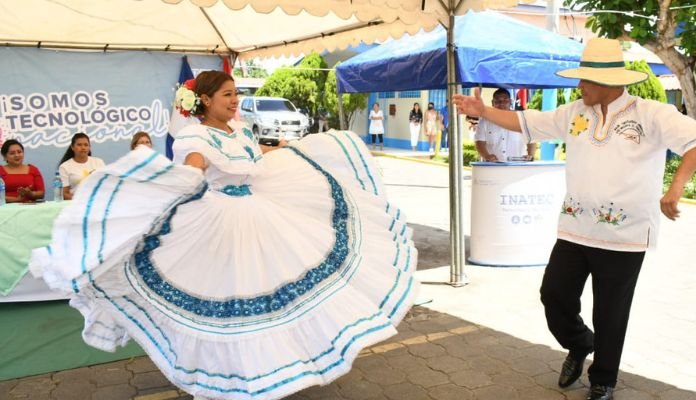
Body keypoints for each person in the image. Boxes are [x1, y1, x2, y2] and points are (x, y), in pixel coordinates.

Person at [31, 70, 418, 400]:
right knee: (231, 299)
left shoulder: (239, 130)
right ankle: (229, 377)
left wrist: (285, 148)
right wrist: (178, 182)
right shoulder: (193, 138)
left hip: (262, 210)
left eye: (236, 94)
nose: (235, 101)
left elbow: (253, 155)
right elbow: (195, 168)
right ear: (204, 100)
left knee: (276, 293)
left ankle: (272, 367)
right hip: (221, 221)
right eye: (228, 95)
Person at [453, 38, 696, 400]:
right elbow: (526, 121)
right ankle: (580, 343)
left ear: (610, 83)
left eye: (586, 81)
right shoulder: (575, 112)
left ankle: (603, 380)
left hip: (625, 234)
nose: (579, 87)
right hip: (575, 229)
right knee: (554, 296)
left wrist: (675, 189)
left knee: (611, 312)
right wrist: (482, 111)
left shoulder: (651, 113)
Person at [474, 88, 536, 162]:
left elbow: (531, 140)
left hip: (518, 165)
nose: (502, 103)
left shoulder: (521, 119)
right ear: (492, 103)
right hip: (494, 167)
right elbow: (479, 142)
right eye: (498, 101)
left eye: (505, 101)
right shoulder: (484, 121)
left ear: (510, 102)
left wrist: (530, 156)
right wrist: (486, 156)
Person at [58, 133, 105, 200]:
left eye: (86, 145)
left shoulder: (99, 162)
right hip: (76, 203)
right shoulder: (65, 167)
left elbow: (105, 186)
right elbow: (64, 194)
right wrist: (81, 200)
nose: (83, 148)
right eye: (79, 145)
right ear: (72, 147)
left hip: (97, 201)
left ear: (89, 147)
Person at [0, 139, 44, 203]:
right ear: (5, 156)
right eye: (12, 153)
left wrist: (30, 194)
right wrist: (16, 199)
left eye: (19, 152)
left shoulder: (33, 170)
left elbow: (41, 193)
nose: (17, 155)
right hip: (6, 208)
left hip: (29, 206)